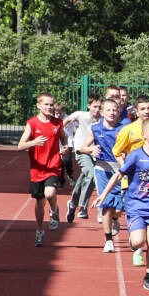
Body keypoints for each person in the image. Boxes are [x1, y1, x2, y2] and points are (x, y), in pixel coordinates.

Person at [93, 118, 149, 290]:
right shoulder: (136, 156)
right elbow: (118, 175)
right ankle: (134, 242)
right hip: (136, 205)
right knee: (139, 242)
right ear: (144, 135)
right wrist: (103, 195)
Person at [18, 93, 67, 246]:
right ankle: (40, 231)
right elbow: (20, 146)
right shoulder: (32, 123)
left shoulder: (58, 123)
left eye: (51, 104)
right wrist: (34, 142)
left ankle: (54, 210)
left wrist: (64, 147)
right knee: (39, 204)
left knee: (50, 192)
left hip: (53, 165)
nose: (49, 107)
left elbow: (63, 137)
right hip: (37, 168)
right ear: (39, 105)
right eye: (46, 104)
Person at [83, 98, 129, 252]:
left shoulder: (125, 126)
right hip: (102, 169)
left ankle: (116, 218)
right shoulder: (96, 129)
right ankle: (108, 239)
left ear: (119, 112)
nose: (112, 112)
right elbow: (83, 147)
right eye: (108, 110)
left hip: (121, 170)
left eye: (115, 110)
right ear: (102, 112)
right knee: (106, 205)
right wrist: (91, 150)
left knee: (120, 208)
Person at [64, 95, 101, 223]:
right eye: (94, 106)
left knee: (84, 177)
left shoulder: (103, 120)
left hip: (95, 153)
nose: (97, 110)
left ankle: (73, 203)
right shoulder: (81, 115)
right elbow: (67, 120)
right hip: (81, 150)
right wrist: (59, 135)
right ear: (89, 106)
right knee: (91, 175)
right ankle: (82, 208)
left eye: (99, 107)